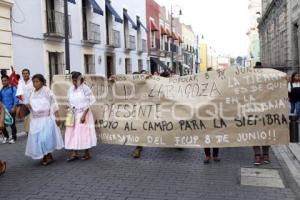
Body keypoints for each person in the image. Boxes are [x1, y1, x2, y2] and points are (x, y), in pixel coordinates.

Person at [25, 74, 64, 166]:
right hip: (35, 120)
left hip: (46, 119)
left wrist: (58, 117)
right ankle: (45, 155)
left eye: (37, 81)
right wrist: (28, 106)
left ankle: (48, 155)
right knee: (37, 139)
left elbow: (54, 104)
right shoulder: (31, 92)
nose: (35, 84)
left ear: (42, 82)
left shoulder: (47, 91)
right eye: (34, 82)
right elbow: (29, 105)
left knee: (45, 139)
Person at [65, 71, 97, 161]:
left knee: (84, 133)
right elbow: (69, 100)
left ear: (81, 80)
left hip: (84, 114)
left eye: (76, 81)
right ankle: (74, 153)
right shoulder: (71, 89)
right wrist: (69, 107)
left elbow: (89, 102)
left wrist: (83, 115)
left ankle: (87, 152)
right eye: (73, 81)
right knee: (72, 133)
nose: (75, 83)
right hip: (73, 113)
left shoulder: (85, 89)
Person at [253, 62, 270, 166]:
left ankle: (263, 154)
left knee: (266, 133)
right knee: (254, 134)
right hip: (254, 112)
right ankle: (259, 155)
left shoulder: (268, 80)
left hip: (266, 111)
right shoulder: (248, 82)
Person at [203, 67, 220, 164]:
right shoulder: (202, 86)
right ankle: (207, 155)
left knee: (216, 136)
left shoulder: (219, 85)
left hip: (216, 114)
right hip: (205, 115)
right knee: (206, 136)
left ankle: (215, 155)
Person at [1, 75, 18, 144]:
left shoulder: (12, 88)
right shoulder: (2, 90)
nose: (4, 82)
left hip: (11, 109)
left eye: (5, 80)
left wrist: (14, 107)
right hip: (4, 110)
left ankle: (14, 138)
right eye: (2, 81)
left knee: (12, 124)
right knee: (2, 124)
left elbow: (16, 98)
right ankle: (6, 136)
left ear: (8, 80)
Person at [16, 69, 34, 134]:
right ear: (22, 74)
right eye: (24, 73)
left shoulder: (32, 81)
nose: (25, 74)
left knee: (32, 117)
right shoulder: (20, 82)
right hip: (23, 103)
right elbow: (19, 91)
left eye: (26, 73)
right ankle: (27, 131)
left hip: (32, 102)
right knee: (26, 117)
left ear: (29, 74)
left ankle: (33, 130)